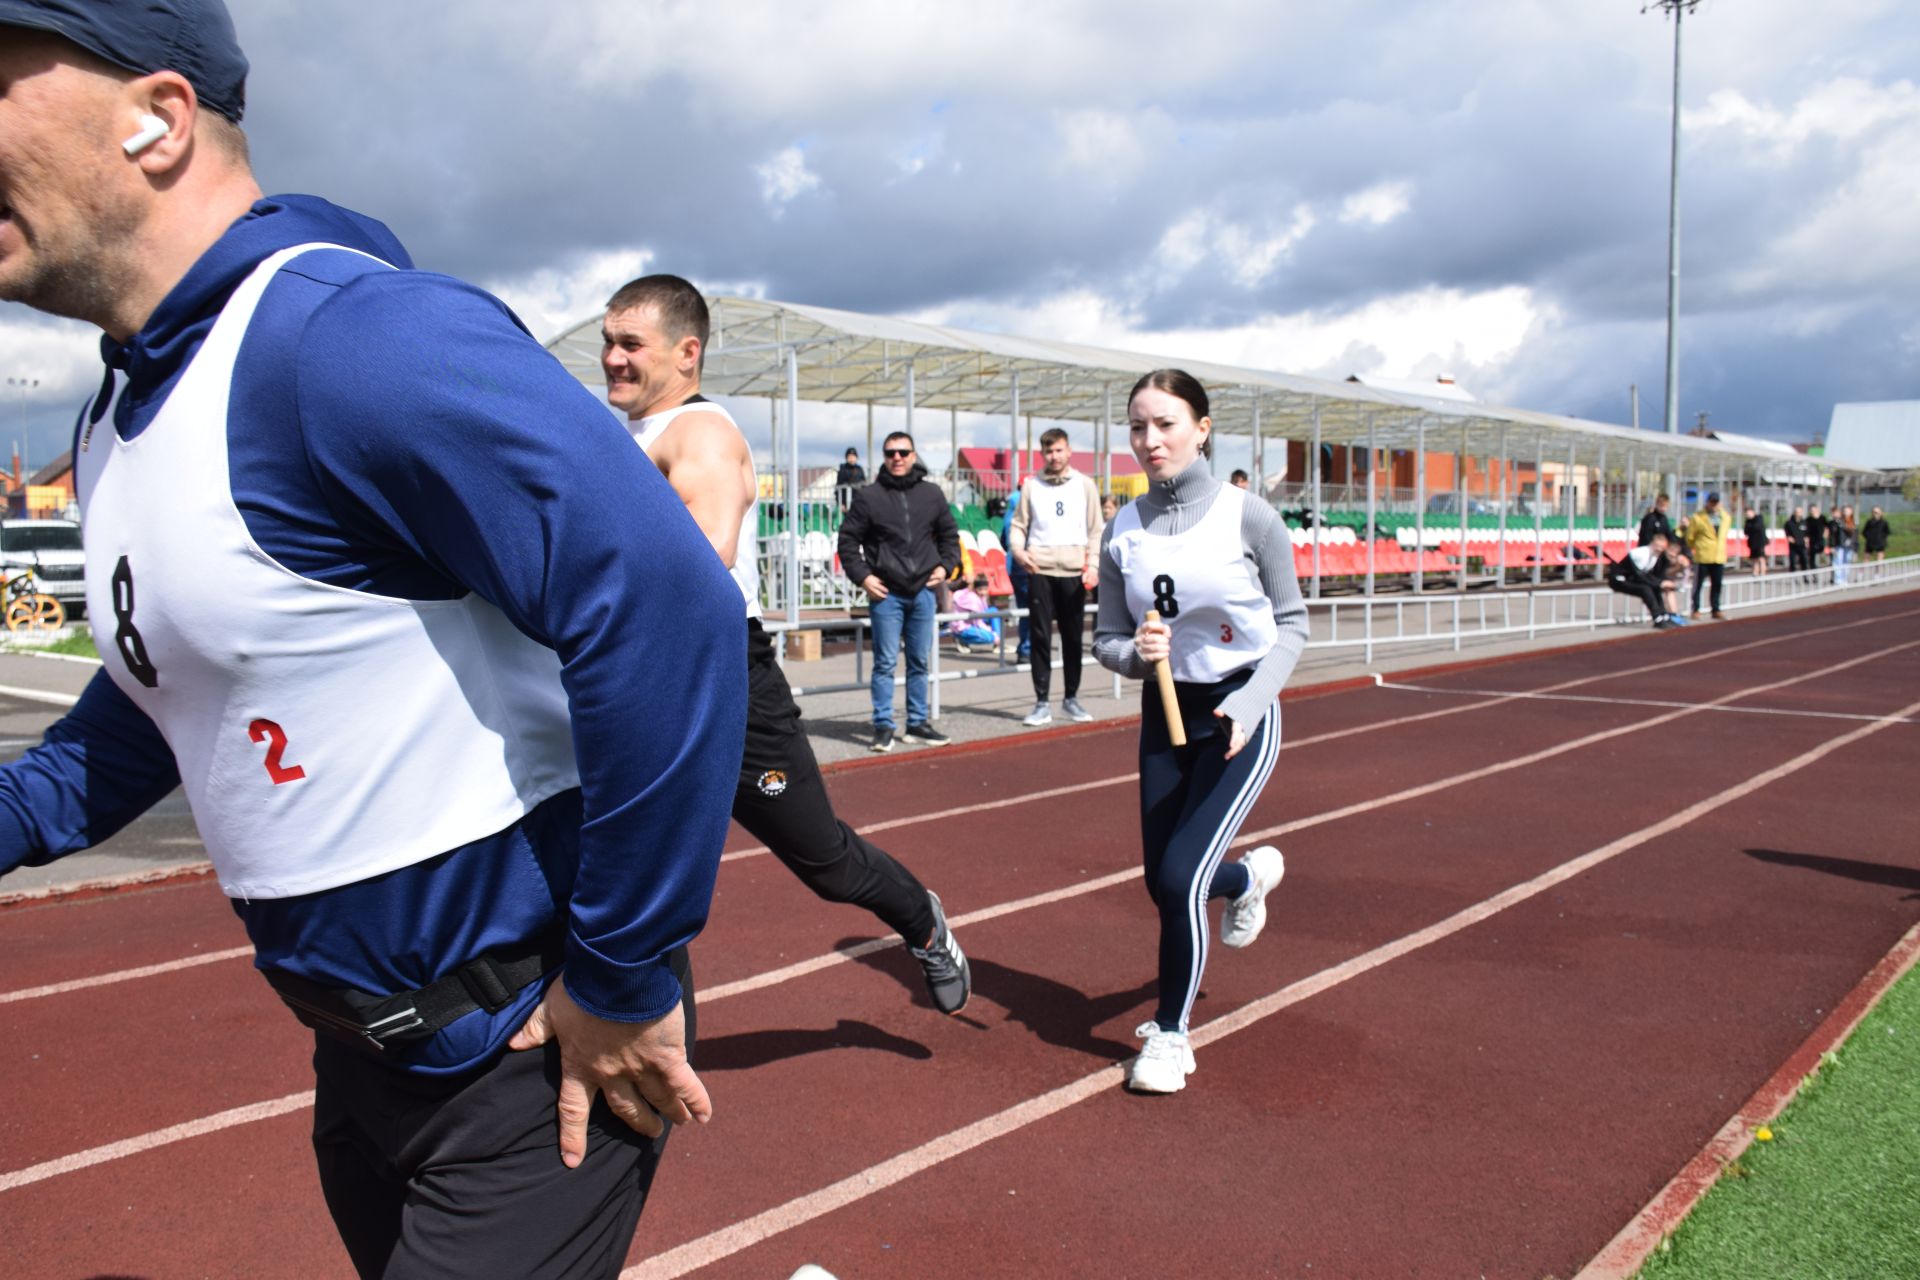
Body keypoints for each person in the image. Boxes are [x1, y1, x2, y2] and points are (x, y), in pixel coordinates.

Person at [0, 6, 746, 1276]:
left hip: (524, 1058)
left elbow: (669, 611)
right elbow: (152, 695)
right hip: (357, 1055)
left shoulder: (355, 341)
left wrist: (621, 971)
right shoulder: (116, 410)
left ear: (158, 119)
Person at [600, 276, 971, 1016]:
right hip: (643, 682)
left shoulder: (698, 435)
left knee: (824, 859)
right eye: (607, 342)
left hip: (719, 682)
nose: (611, 358)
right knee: (628, 864)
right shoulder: (623, 434)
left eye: (630, 344)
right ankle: (628, 1028)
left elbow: (701, 575)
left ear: (687, 352)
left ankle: (922, 921)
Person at [1093, 369, 1308, 1094]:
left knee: (1182, 879)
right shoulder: (1121, 527)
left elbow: (1294, 624)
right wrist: (1134, 655)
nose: (1150, 441)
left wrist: (1250, 704)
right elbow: (1109, 639)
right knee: (1164, 882)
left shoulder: (1250, 517)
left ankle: (1172, 1035)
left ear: (1203, 428)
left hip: (1238, 714)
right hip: (1165, 713)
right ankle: (1248, 878)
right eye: (1138, 427)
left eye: (1166, 424)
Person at [839, 432, 961, 752]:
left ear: (913, 454)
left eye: (903, 452)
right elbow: (848, 541)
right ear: (883, 456)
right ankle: (883, 725)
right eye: (891, 452)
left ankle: (917, 723)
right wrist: (863, 577)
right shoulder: (869, 496)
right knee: (885, 663)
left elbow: (950, 536)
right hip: (886, 594)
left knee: (919, 660)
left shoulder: (932, 494)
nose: (897, 458)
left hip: (923, 592)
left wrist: (946, 566)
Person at [1009, 427, 1104, 727]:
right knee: (1040, 636)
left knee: (1073, 637)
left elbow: (1096, 529)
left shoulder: (1085, 485)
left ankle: (1071, 699)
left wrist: (1094, 564)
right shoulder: (1031, 486)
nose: (1054, 456)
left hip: (1075, 570)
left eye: (1059, 450)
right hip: (1041, 569)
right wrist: (1018, 551)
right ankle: (1041, 702)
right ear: (1042, 454)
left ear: (1069, 451)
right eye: (1049, 451)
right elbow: (1018, 525)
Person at [1606, 532, 1688, 628]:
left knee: (1655, 588)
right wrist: (1660, 583)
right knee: (1645, 589)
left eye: (1662, 548)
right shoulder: (1641, 554)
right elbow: (1639, 576)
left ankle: (1663, 615)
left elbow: (1649, 575)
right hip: (1618, 580)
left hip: (1631, 578)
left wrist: (1660, 583)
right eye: (1658, 546)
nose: (1659, 549)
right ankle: (1657, 618)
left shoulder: (1654, 556)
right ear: (1652, 543)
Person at [1683, 492, 1732, 619]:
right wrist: (1698, 547)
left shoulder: (1725, 517)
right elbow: (1690, 536)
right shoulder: (1698, 517)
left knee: (1717, 584)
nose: (1714, 505)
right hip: (1703, 556)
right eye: (1712, 502)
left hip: (1718, 556)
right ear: (1707, 502)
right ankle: (1696, 609)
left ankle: (1715, 609)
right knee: (1698, 585)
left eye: (1716, 503)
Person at [947, 574, 1000, 651]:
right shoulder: (972, 599)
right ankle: (962, 640)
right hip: (962, 627)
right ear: (975, 588)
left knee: (993, 611)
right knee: (990, 637)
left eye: (985, 589)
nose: (983, 592)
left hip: (972, 621)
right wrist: (993, 634)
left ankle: (998, 640)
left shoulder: (981, 596)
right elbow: (978, 623)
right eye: (980, 589)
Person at [1831, 505, 1858, 585]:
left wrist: (1855, 548)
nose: (1846, 513)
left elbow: (1855, 536)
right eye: (1845, 511)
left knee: (1847, 561)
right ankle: (1838, 580)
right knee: (1838, 562)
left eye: (1848, 511)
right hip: (1839, 544)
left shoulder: (1853, 522)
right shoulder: (1838, 522)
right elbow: (1833, 535)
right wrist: (1832, 545)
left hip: (1849, 546)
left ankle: (1845, 578)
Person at [1743, 505, 1769, 577]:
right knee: (1754, 558)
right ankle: (1755, 572)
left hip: (1760, 542)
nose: (1747, 515)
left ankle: (1763, 573)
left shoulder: (1758, 518)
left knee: (1761, 558)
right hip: (1752, 543)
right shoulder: (1748, 521)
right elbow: (1746, 531)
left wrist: (1750, 527)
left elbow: (1756, 527)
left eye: (1748, 513)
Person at [1785, 505, 1809, 573]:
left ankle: (1805, 577)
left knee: (1804, 560)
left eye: (1800, 512)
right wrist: (1789, 538)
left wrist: (1806, 540)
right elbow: (1787, 533)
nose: (1798, 513)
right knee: (1793, 561)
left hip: (1802, 545)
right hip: (1793, 545)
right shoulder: (1789, 523)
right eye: (1797, 512)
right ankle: (1793, 577)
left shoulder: (1804, 522)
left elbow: (1807, 533)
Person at [1806, 502, 1827, 567]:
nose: (1813, 511)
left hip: (1821, 540)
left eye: (1814, 510)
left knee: (1821, 555)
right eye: (1811, 510)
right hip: (1812, 540)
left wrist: (1825, 535)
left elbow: (1826, 527)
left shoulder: (1822, 518)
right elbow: (1806, 532)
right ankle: (1813, 571)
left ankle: (1822, 566)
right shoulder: (1808, 520)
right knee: (1812, 557)